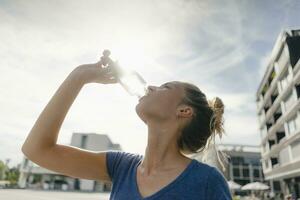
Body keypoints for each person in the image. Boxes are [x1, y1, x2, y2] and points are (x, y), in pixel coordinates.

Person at [22, 59, 231, 199]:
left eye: (165, 87)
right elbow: (37, 150)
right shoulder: (121, 167)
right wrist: (80, 76)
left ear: (184, 111)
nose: (150, 87)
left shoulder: (207, 182)